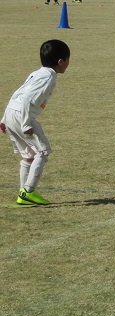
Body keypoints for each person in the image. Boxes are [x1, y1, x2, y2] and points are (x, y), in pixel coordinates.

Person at [1, 39, 71, 206]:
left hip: (12, 112)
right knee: (43, 152)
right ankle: (28, 191)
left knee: (29, 155)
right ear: (61, 61)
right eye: (68, 60)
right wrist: (26, 124)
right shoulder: (49, 76)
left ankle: (22, 194)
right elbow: (26, 98)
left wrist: (4, 118)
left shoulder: (37, 73)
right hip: (22, 116)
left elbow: (18, 93)